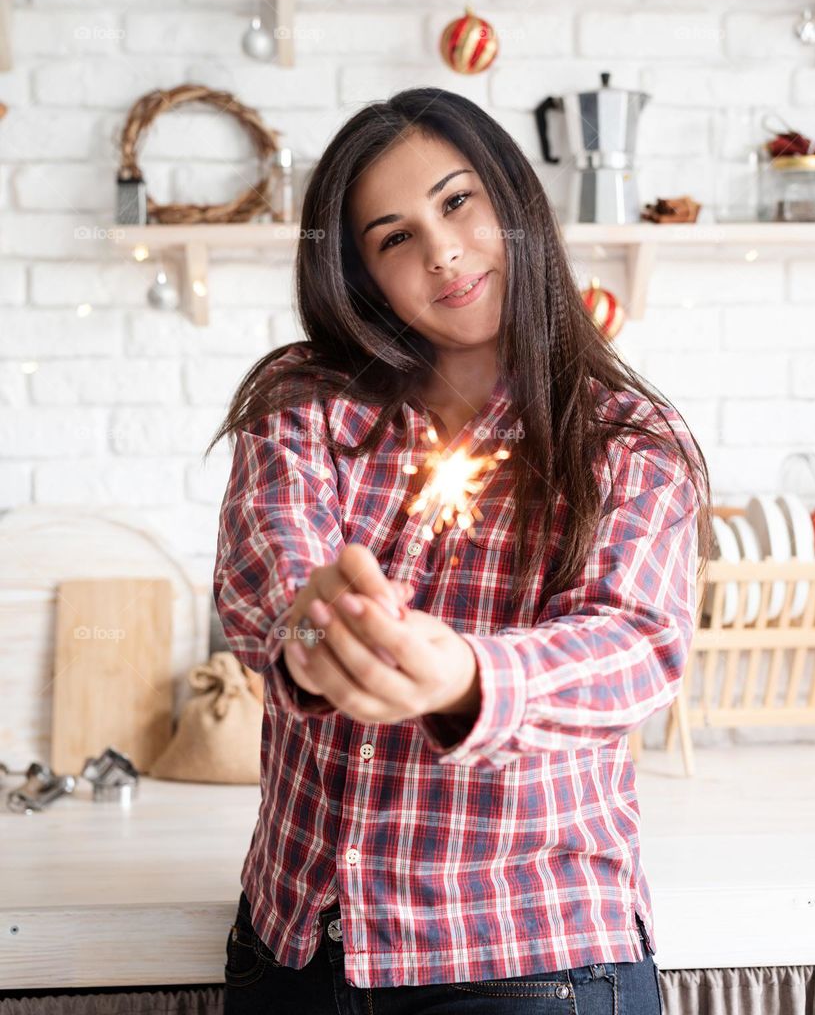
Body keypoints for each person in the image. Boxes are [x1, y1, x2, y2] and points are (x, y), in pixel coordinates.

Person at [207, 87, 712, 1014]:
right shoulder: (304, 402)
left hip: (527, 956)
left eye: (456, 202)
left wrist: (464, 678)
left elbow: (634, 652)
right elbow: (263, 584)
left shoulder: (631, 443)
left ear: (512, 202)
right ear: (363, 274)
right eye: (393, 237)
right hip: (291, 951)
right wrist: (322, 638)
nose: (441, 251)